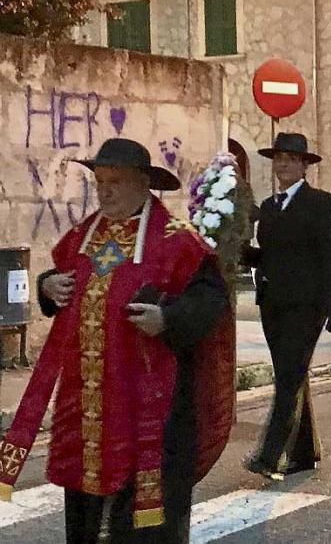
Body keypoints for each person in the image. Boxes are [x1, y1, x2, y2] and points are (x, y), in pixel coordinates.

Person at [0, 138, 234, 542]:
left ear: (143, 183)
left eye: (115, 182)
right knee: (85, 514)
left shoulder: (177, 241)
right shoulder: (82, 237)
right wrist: (46, 286)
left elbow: (213, 302)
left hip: (153, 406)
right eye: (100, 181)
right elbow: (60, 283)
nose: (103, 191)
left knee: (146, 525)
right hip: (88, 405)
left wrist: (169, 317)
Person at [242, 132, 331, 480]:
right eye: (278, 158)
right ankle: (305, 452)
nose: (282, 164)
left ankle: (269, 455)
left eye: (290, 159)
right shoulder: (269, 207)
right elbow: (267, 256)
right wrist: (234, 249)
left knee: (288, 377)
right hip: (272, 304)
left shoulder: (319, 202)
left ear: (304, 166)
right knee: (292, 376)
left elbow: (330, 252)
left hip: (306, 304)